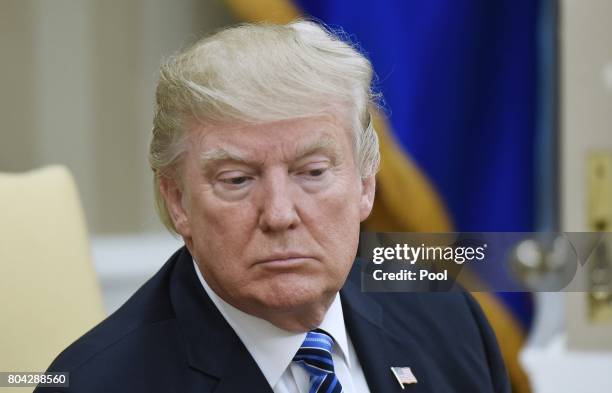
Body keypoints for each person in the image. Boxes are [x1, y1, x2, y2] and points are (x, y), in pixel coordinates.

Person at [37, 21, 509, 393]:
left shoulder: (445, 315)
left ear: (365, 184)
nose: (280, 214)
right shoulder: (98, 383)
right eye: (238, 180)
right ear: (178, 201)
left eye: (313, 173)